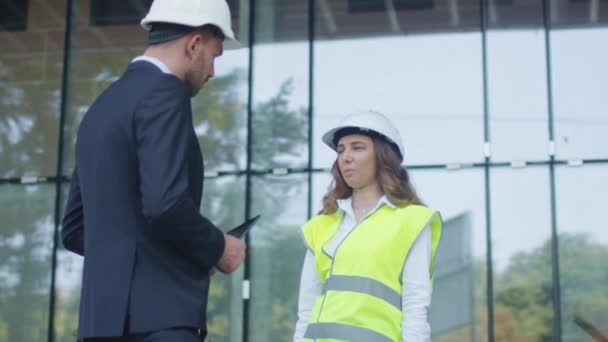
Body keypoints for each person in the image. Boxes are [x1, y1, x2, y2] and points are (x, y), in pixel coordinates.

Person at [60, 1, 246, 341]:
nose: (212, 72)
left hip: (100, 325)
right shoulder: (166, 93)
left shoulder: (101, 107)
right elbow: (165, 204)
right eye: (215, 55)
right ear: (194, 44)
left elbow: (74, 230)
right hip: (163, 322)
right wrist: (218, 246)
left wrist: (135, 262)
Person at [293, 110, 443, 342]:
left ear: (383, 156)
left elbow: (415, 308)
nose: (346, 157)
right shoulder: (320, 225)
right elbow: (305, 311)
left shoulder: (412, 221)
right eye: (341, 150)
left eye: (358, 147)